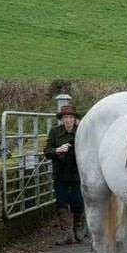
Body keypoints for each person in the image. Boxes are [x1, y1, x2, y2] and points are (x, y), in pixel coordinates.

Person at [44, 105, 84, 245]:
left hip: (77, 172)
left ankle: (77, 229)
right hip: (60, 172)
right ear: (62, 119)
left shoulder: (81, 132)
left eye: (71, 117)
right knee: (61, 202)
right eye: (65, 117)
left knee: (78, 201)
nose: (68, 120)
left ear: (75, 119)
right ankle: (66, 233)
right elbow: (47, 151)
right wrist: (57, 150)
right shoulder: (54, 132)